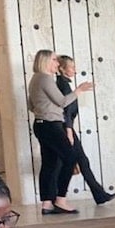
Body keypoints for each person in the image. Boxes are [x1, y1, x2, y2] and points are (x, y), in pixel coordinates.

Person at [27, 49, 93, 215]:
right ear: (46, 61)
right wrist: (79, 90)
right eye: (55, 60)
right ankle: (61, 199)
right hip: (51, 125)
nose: (57, 63)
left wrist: (44, 110)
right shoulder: (45, 78)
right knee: (70, 158)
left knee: (49, 163)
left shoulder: (35, 79)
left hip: (41, 124)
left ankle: (47, 203)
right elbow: (63, 101)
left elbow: (31, 105)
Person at [56, 55, 115, 206]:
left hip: (67, 127)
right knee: (75, 161)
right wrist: (69, 130)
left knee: (80, 161)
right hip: (66, 128)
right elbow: (65, 111)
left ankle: (99, 194)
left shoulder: (64, 84)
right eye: (72, 67)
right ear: (62, 69)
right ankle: (58, 197)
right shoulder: (63, 85)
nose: (75, 70)